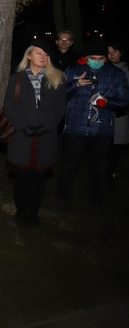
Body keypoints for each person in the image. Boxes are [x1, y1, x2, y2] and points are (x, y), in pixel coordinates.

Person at [54, 37, 129, 212]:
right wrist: (75, 85)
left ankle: (97, 202)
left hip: (102, 129)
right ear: (86, 57)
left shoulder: (116, 75)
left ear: (106, 58)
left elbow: (124, 103)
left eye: (100, 58)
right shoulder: (73, 70)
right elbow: (59, 94)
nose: (96, 62)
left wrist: (106, 102)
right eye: (92, 58)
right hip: (75, 126)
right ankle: (61, 197)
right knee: (69, 165)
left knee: (98, 167)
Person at [2, 40, 67, 226]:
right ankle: (21, 212)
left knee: (39, 178)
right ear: (29, 56)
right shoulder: (16, 79)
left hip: (45, 136)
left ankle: (34, 213)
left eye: (45, 54)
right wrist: (23, 125)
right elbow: (9, 106)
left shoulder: (57, 78)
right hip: (22, 136)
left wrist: (46, 126)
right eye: (39, 53)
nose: (43, 57)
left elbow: (61, 107)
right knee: (21, 177)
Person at [106, 41, 129, 181]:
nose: (112, 55)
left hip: (120, 113)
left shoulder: (126, 70)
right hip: (105, 110)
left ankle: (111, 170)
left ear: (121, 52)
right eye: (109, 52)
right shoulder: (105, 69)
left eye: (114, 52)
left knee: (116, 144)